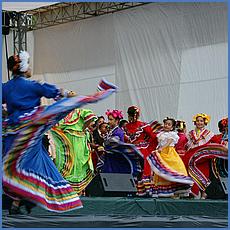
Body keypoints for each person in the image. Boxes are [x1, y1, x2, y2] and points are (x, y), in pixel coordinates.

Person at [2, 51, 116, 213]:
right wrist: (78, 97)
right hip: (32, 127)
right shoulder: (34, 85)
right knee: (33, 164)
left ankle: (17, 201)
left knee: (19, 165)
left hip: (14, 132)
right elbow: (58, 92)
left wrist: (6, 114)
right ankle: (25, 199)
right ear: (22, 67)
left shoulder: (5, 88)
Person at [50, 108, 97, 194]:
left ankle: (77, 191)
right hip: (66, 140)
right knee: (65, 163)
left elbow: (90, 117)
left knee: (77, 163)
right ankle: (66, 189)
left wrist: (83, 128)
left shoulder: (80, 111)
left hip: (78, 140)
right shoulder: (62, 112)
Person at [147, 117, 193, 198]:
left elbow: (169, 142)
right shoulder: (161, 134)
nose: (166, 125)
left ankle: (174, 190)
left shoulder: (173, 134)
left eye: (169, 124)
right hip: (161, 152)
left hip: (169, 152)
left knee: (172, 169)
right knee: (161, 171)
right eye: (165, 124)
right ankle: (163, 191)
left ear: (172, 127)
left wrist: (162, 147)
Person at [124, 106, 160, 196]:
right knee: (143, 169)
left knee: (134, 169)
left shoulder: (126, 127)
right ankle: (144, 190)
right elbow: (154, 136)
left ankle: (134, 190)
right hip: (141, 150)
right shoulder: (142, 125)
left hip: (131, 150)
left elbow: (124, 140)